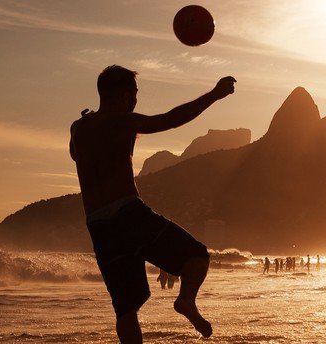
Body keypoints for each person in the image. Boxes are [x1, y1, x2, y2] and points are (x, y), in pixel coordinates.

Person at [70, 66, 233, 342]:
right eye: (134, 94)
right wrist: (214, 95)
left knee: (126, 308)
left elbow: (77, 155)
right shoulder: (125, 122)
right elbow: (171, 119)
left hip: (98, 225)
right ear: (123, 96)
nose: (135, 100)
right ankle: (186, 300)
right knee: (197, 256)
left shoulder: (78, 128)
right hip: (128, 213)